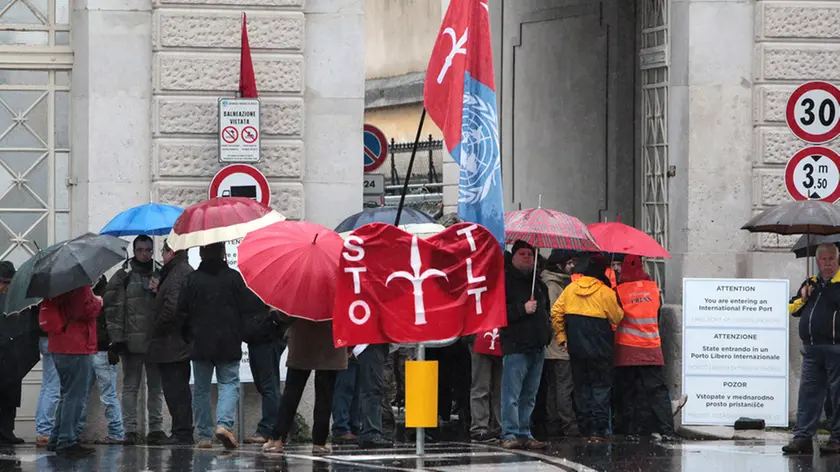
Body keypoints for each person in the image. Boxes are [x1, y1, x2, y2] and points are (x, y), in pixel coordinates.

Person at [180, 242, 263, 449]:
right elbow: (249, 307)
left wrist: (188, 337)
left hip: (200, 344)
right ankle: (224, 425)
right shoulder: (234, 278)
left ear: (200, 253)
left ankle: (204, 435)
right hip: (228, 341)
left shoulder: (191, 280)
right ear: (223, 252)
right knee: (229, 383)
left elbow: (181, 313)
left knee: (201, 390)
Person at [551, 255, 623, 442]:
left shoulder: (570, 288)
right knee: (600, 387)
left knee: (581, 387)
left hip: (576, 345)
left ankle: (584, 428)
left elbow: (556, 312)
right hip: (600, 346)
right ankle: (597, 431)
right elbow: (617, 318)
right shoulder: (605, 292)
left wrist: (562, 337)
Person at [104, 235, 164, 445]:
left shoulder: (160, 273)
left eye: (148, 250)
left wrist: (159, 291)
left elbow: (170, 304)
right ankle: (130, 430)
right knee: (131, 387)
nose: (144, 254)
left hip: (155, 342)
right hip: (131, 342)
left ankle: (156, 429)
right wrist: (116, 339)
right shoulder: (123, 275)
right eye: (140, 250)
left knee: (156, 388)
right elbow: (112, 308)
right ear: (134, 251)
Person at [611, 255, 677, 440]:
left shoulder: (619, 291)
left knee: (628, 391)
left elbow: (615, 317)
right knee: (657, 391)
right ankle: (667, 430)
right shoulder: (653, 289)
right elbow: (657, 314)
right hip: (651, 348)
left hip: (627, 349)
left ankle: (630, 431)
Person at [784, 243, 840, 455]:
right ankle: (802, 438)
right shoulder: (811, 283)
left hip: (836, 347)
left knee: (837, 395)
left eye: (831, 259)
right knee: (808, 394)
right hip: (812, 348)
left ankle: (837, 438)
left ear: (837, 260)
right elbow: (792, 309)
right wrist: (804, 297)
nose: (827, 263)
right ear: (817, 261)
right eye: (823, 259)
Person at [262, 317, 346, 455]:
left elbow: (284, 313)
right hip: (331, 340)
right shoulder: (338, 295)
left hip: (303, 339)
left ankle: (277, 438)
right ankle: (319, 442)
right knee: (325, 394)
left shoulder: (303, 295)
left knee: (292, 392)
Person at [499, 240, 552, 450]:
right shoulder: (506, 282)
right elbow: (501, 313)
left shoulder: (538, 283)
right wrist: (522, 309)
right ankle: (510, 432)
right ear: (513, 256)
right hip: (516, 345)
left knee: (529, 395)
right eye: (522, 253)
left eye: (530, 253)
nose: (527, 257)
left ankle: (524, 431)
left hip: (537, 346)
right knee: (512, 394)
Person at [39, 285, 102, 457]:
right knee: (75, 396)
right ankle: (67, 440)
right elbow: (85, 310)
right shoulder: (78, 285)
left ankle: (56, 438)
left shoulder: (54, 287)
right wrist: (98, 301)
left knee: (66, 394)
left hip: (59, 344)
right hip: (76, 345)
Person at [148, 240, 195, 445]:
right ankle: (180, 430)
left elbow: (172, 309)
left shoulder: (178, 272)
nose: (161, 256)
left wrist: (156, 327)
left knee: (176, 390)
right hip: (173, 344)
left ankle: (182, 432)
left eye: (163, 251)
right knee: (176, 389)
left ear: (172, 251)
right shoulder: (176, 272)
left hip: (172, 343)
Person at [537, 250, 580, 438]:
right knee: (563, 387)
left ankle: (553, 421)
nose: (572, 267)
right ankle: (566, 423)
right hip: (558, 346)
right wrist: (563, 339)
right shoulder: (554, 285)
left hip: (550, 347)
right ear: (559, 265)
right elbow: (556, 315)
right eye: (569, 263)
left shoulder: (553, 282)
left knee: (554, 387)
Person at [0, 262, 39, 445]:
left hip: (13, 353)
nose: (5, 287)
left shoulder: (18, 300)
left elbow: (27, 325)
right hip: (5, 352)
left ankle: (7, 432)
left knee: (11, 395)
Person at [84, 275, 125, 445]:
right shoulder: (99, 294)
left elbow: (114, 322)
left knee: (106, 395)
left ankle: (116, 432)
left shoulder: (104, 294)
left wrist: (113, 346)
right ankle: (116, 432)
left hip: (99, 350)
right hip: (94, 350)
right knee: (90, 395)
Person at [244, 305, 288, 445]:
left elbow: (286, 313)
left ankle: (268, 429)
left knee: (268, 386)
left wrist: (274, 322)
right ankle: (288, 422)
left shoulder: (275, 290)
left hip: (267, 338)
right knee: (264, 385)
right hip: (256, 337)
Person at [356, 344, 393, 448]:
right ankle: (370, 432)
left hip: (373, 345)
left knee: (372, 389)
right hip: (371, 344)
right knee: (372, 389)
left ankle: (371, 431)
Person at [470, 327, 503, 442]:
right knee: (481, 386)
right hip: (480, 336)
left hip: (498, 337)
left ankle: (496, 427)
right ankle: (479, 428)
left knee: (499, 388)